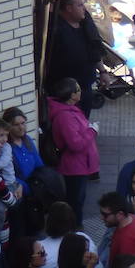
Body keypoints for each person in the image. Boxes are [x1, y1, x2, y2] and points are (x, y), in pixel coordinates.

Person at [46, 78, 99, 220]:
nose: (81, 92)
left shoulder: (70, 111)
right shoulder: (65, 117)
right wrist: (92, 131)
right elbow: (76, 144)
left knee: (77, 198)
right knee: (75, 200)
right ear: (72, 95)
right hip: (75, 167)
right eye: (78, 90)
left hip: (79, 164)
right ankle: (74, 228)